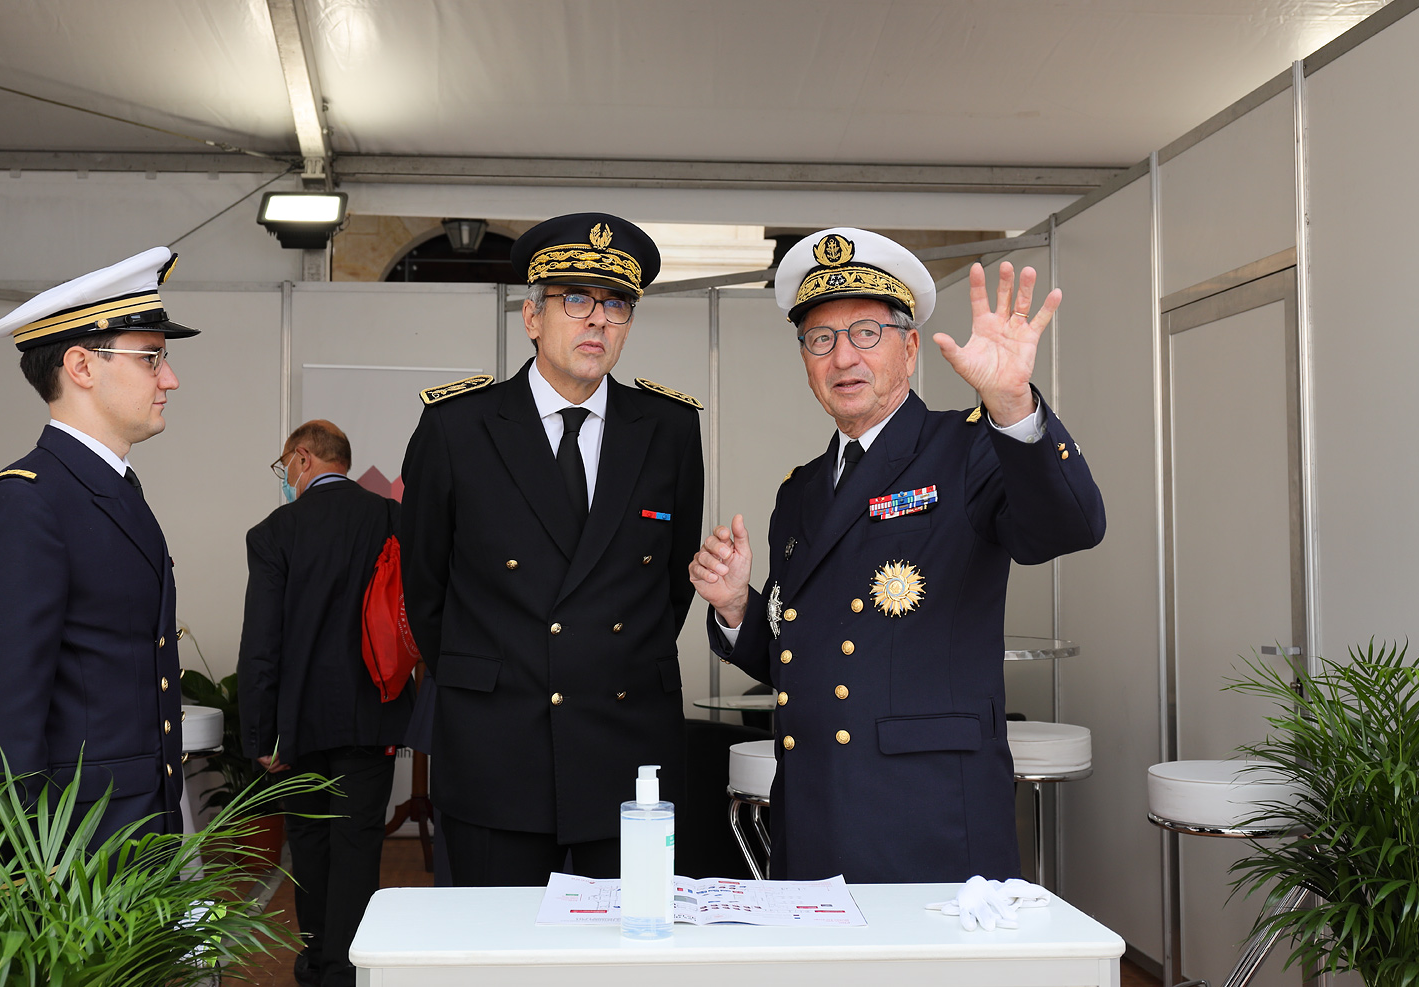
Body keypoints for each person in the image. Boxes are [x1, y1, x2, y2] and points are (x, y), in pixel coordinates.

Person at [689, 228, 1105, 884]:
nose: (842, 357)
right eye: (821, 339)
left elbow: (1070, 526)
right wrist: (738, 607)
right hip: (813, 815)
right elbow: (807, 661)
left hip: (929, 818)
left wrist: (1013, 406)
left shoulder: (969, 447)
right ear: (805, 360)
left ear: (909, 348)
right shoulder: (800, 492)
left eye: (866, 333)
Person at [400, 212, 705, 885]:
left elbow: (669, 587)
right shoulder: (458, 427)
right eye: (575, 300)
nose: (597, 320)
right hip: (497, 745)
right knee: (494, 938)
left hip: (627, 747)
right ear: (532, 317)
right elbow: (425, 587)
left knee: (627, 938)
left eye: (616, 304)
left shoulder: (669, 429)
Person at [0, 246, 199, 845]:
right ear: (82, 366)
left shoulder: (105, 489)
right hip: (73, 855)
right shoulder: (25, 504)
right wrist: (20, 874)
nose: (169, 378)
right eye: (151, 357)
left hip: (126, 835)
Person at [238, 419, 413, 987]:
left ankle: (315, 958)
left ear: (303, 459)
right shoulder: (391, 518)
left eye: (284, 465)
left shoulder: (274, 532)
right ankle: (347, 966)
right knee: (358, 842)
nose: (284, 476)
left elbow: (261, 641)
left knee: (310, 843)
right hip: (374, 710)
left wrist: (260, 733)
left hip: (300, 722)